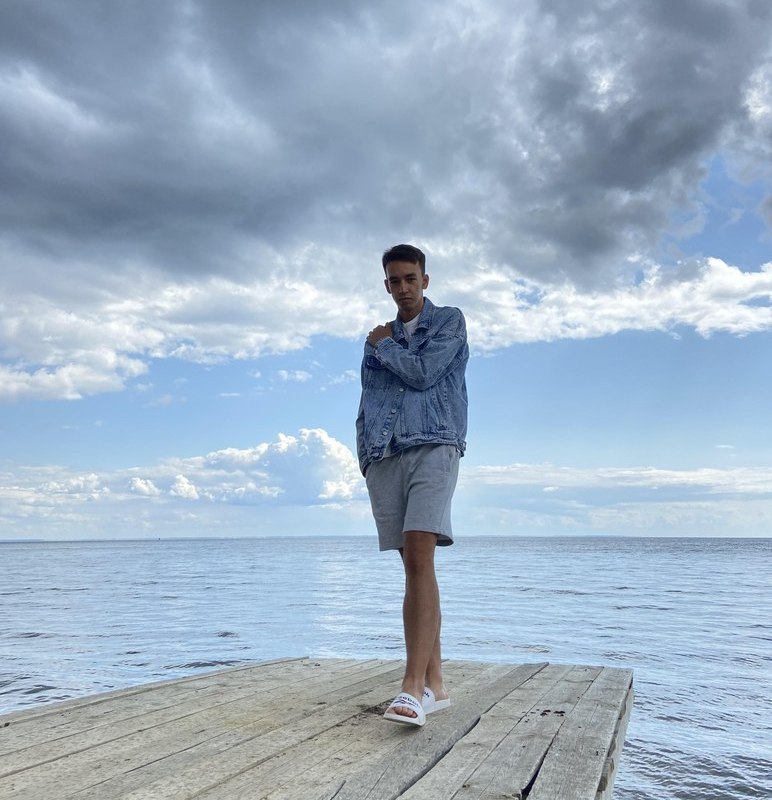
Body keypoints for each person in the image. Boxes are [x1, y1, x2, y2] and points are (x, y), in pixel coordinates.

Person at [356, 243, 468, 726]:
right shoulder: (376, 339)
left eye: (410, 278)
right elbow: (370, 399)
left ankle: (410, 688)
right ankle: (435, 685)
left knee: (421, 556)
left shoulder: (448, 322)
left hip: (434, 445)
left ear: (425, 280)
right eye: (395, 280)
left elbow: (423, 374)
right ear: (386, 285)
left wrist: (385, 345)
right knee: (415, 568)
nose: (403, 288)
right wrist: (365, 456)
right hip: (385, 454)